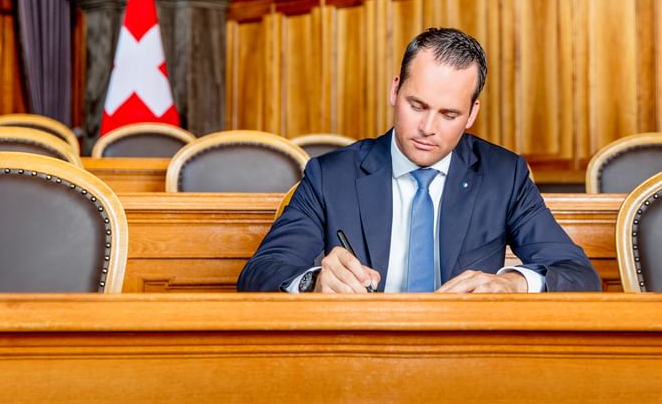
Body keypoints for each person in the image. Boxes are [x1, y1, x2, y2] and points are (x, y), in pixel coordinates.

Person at [238, 27, 601, 294]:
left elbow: (578, 275)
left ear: (472, 114)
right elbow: (260, 272)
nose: (428, 128)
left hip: (465, 363)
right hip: (359, 357)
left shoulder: (503, 176)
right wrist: (314, 280)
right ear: (395, 90)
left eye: (449, 114)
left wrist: (512, 283)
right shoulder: (330, 175)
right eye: (417, 106)